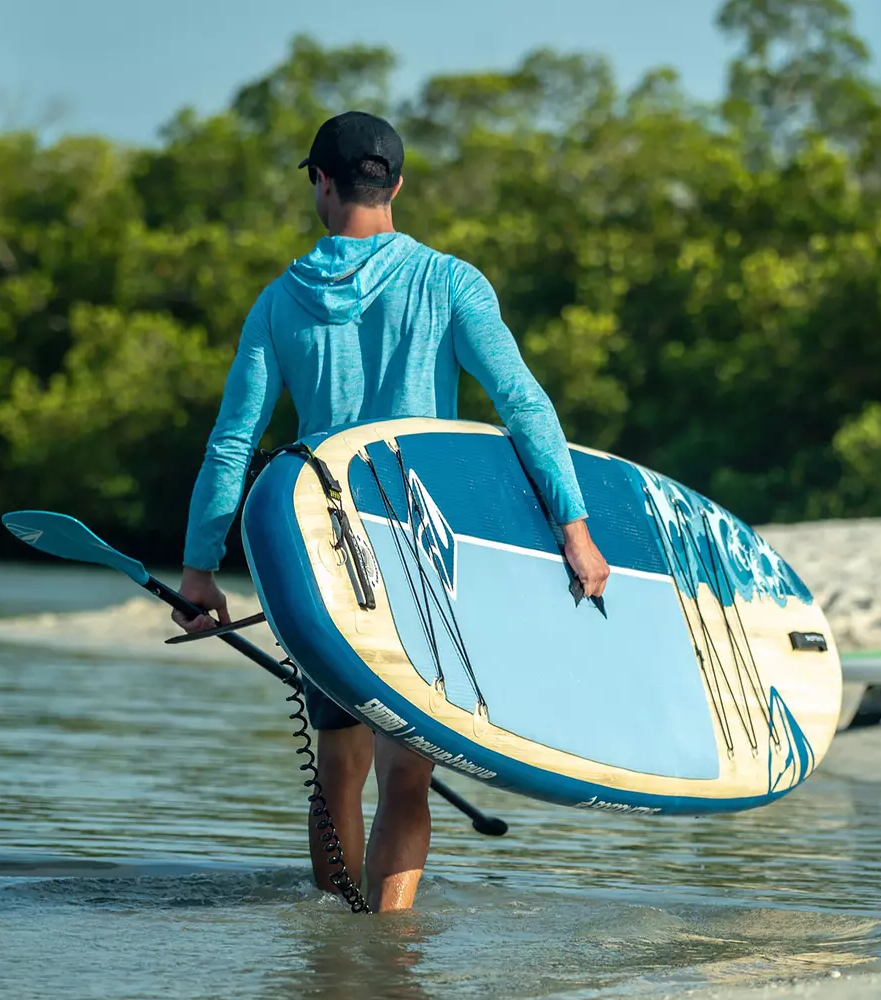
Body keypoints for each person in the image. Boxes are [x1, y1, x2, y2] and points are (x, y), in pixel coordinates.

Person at [173, 111, 610, 912]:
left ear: (321, 182)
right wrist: (573, 529)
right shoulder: (451, 283)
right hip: (418, 551)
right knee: (407, 774)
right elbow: (524, 405)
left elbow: (233, 443)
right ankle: (390, 952)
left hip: (322, 554)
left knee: (337, 769)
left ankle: (339, 949)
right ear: (397, 184)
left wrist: (200, 569)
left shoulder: (279, 302)